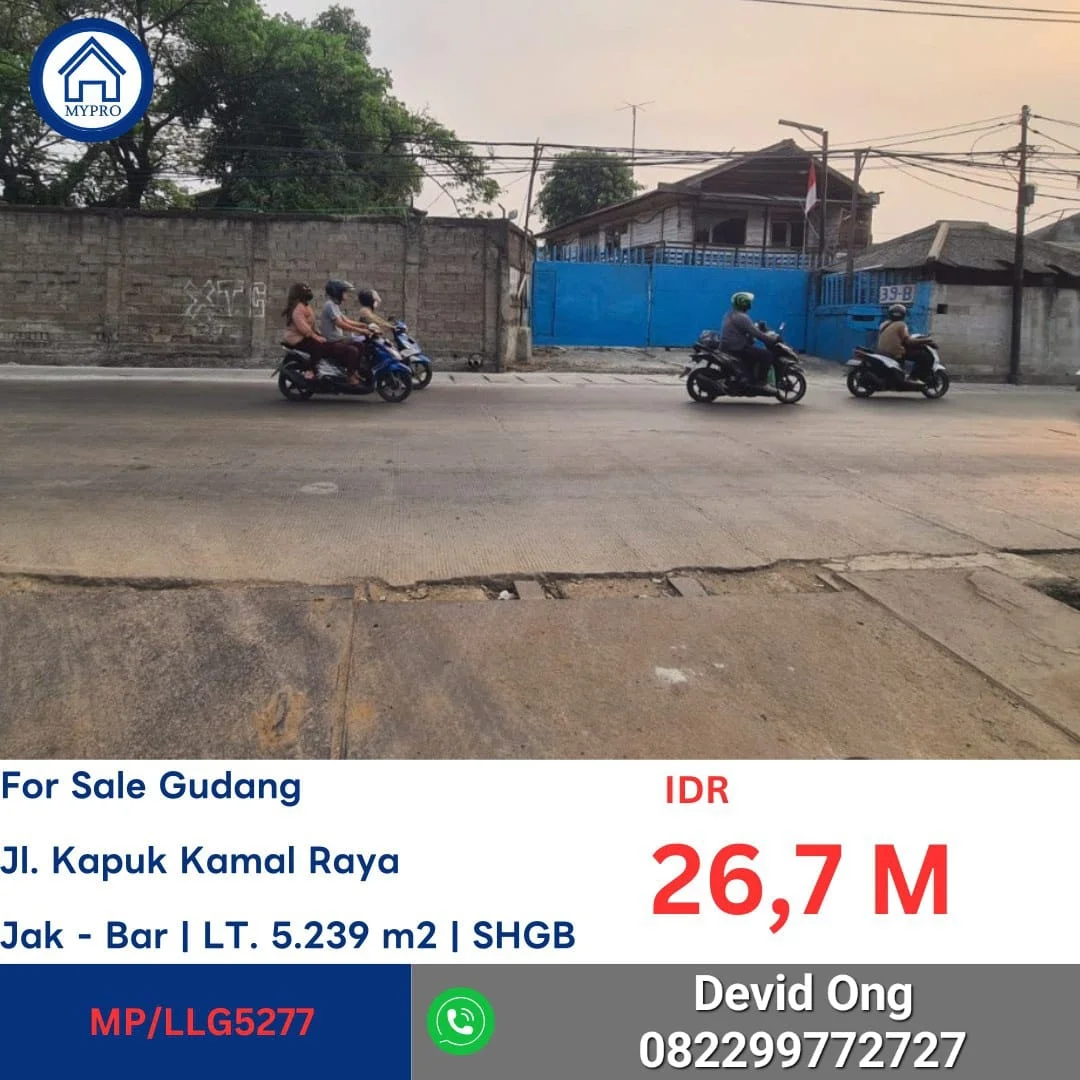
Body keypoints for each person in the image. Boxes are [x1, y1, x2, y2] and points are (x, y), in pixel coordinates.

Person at [719, 291, 778, 392]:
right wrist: (770, 339)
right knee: (766, 355)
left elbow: (748, 329)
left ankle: (749, 378)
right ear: (745, 304)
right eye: (749, 302)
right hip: (737, 347)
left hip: (729, 346)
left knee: (754, 353)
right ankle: (762, 383)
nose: (751, 304)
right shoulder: (742, 317)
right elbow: (756, 334)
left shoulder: (731, 314)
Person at [318, 279, 372, 384]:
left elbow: (346, 320)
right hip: (331, 342)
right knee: (353, 351)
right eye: (344, 292)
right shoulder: (329, 305)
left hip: (338, 340)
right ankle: (349, 376)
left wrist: (364, 325)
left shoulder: (335, 305)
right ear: (337, 292)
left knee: (360, 344)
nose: (347, 294)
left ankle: (354, 371)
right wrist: (361, 330)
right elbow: (340, 324)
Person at [876, 303, 923, 385]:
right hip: (894, 353)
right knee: (921, 355)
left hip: (881, 351)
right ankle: (913, 377)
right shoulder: (902, 325)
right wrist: (925, 341)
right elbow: (908, 341)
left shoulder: (884, 324)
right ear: (903, 315)